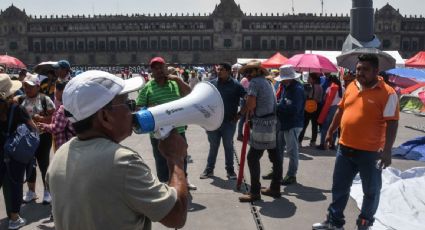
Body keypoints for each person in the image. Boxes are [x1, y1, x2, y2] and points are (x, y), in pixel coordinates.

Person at [46, 70, 188, 230]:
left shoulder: (61, 154)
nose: (133, 112)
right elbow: (176, 216)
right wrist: (176, 159)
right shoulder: (123, 162)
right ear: (105, 117)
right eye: (128, 104)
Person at [312, 54, 399, 230]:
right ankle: (334, 222)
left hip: (371, 152)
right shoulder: (352, 85)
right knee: (339, 188)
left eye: (365, 69)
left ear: (376, 71)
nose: (359, 73)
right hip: (345, 148)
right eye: (358, 69)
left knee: (370, 191)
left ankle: (364, 224)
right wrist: (330, 132)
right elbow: (341, 110)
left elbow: (392, 122)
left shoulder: (388, 93)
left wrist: (388, 151)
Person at [136, 57, 196, 190]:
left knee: (181, 156)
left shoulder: (175, 83)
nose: (158, 70)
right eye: (155, 68)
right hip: (158, 132)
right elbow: (139, 108)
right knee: (161, 159)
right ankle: (165, 184)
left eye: (161, 67)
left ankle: (183, 180)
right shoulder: (148, 87)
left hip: (178, 129)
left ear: (166, 68)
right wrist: (149, 108)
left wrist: (179, 80)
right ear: (151, 71)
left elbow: (190, 96)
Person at [238, 60, 281, 202]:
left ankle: (255, 192)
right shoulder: (267, 82)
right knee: (275, 157)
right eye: (246, 72)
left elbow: (251, 104)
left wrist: (240, 114)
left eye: (249, 71)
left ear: (257, 71)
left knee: (252, 158)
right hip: (272, 122)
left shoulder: (255, 83)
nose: (247, 75)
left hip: (263, 123)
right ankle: (275, 188)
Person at [200, 63, 246, 180]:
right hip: (214, 123)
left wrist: (240, 114)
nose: (219, 71)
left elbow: (247, 99)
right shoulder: (212, 84)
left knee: (228, 146)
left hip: (229, 122)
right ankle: (209, 170)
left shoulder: (236, 85)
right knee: (213, 146)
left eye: (222, 70)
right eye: (218, 69)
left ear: (229, 71)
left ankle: (230, 171)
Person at [0, 74, 35, 229]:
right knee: (15, 184)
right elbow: (32, 126)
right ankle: (14, 218)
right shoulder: (17, 108)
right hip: (14, 152)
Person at [19, 74, 56, 204]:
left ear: (37, 87)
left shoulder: (45, 100)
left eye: (30, 86)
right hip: (27, 138)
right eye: (25, 86)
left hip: (43, 136)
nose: (27, 89)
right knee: (29, 164)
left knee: (44, 163)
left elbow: (54, 118)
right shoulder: (21, 99)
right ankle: (31, 191)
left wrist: (41, 119)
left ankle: (48, 191)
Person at [275, 65, 305, 185]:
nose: (281, 80)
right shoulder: (287, 87)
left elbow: (294, 109)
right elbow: (286, 103)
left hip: (293, 123)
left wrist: (278, 106)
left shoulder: (297, 89)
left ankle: (292, 175)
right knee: (279, 148)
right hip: (285, 122)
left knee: (292, 151)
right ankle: (277, 170)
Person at [37, 81, 75, 152]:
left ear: (61, 91)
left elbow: (57, 128)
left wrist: (43, 126)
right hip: (70, 144)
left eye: (55, 89)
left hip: (64, 145)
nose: (54, 92)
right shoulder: (72, 105)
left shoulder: (63, 108)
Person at [317, 75, 343, 150]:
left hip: (330, 108)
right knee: (335, 127)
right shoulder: (342, 89)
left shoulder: (330, 88)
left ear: (331, 81)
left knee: (325, 127)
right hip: (338, 109)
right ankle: (332, 145)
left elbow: (324, 98)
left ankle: (323, 144)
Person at [299, 73, 323, 147]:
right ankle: (313, 141)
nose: (308, 79)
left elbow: (304, 96)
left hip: (307, 107)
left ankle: (299, 141)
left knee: (304, 125)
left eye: (309, 78)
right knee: (314, 125)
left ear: (313, 79)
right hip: (316, 107)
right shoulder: (320, 87)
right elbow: (320, 98)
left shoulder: (307, 86)